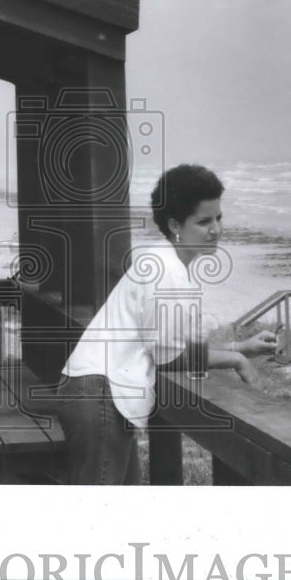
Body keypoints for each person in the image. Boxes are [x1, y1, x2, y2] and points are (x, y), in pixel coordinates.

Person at [56, 163, 277, 484]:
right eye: (203, 221)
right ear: (175, 224)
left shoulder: (161, 260)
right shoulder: (168, 274)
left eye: (218, 218)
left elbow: (172, 346)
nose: (215, 229)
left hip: (95, 391)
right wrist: (236, 359)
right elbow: (170, 357)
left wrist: (239, 346)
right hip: (101, 396)